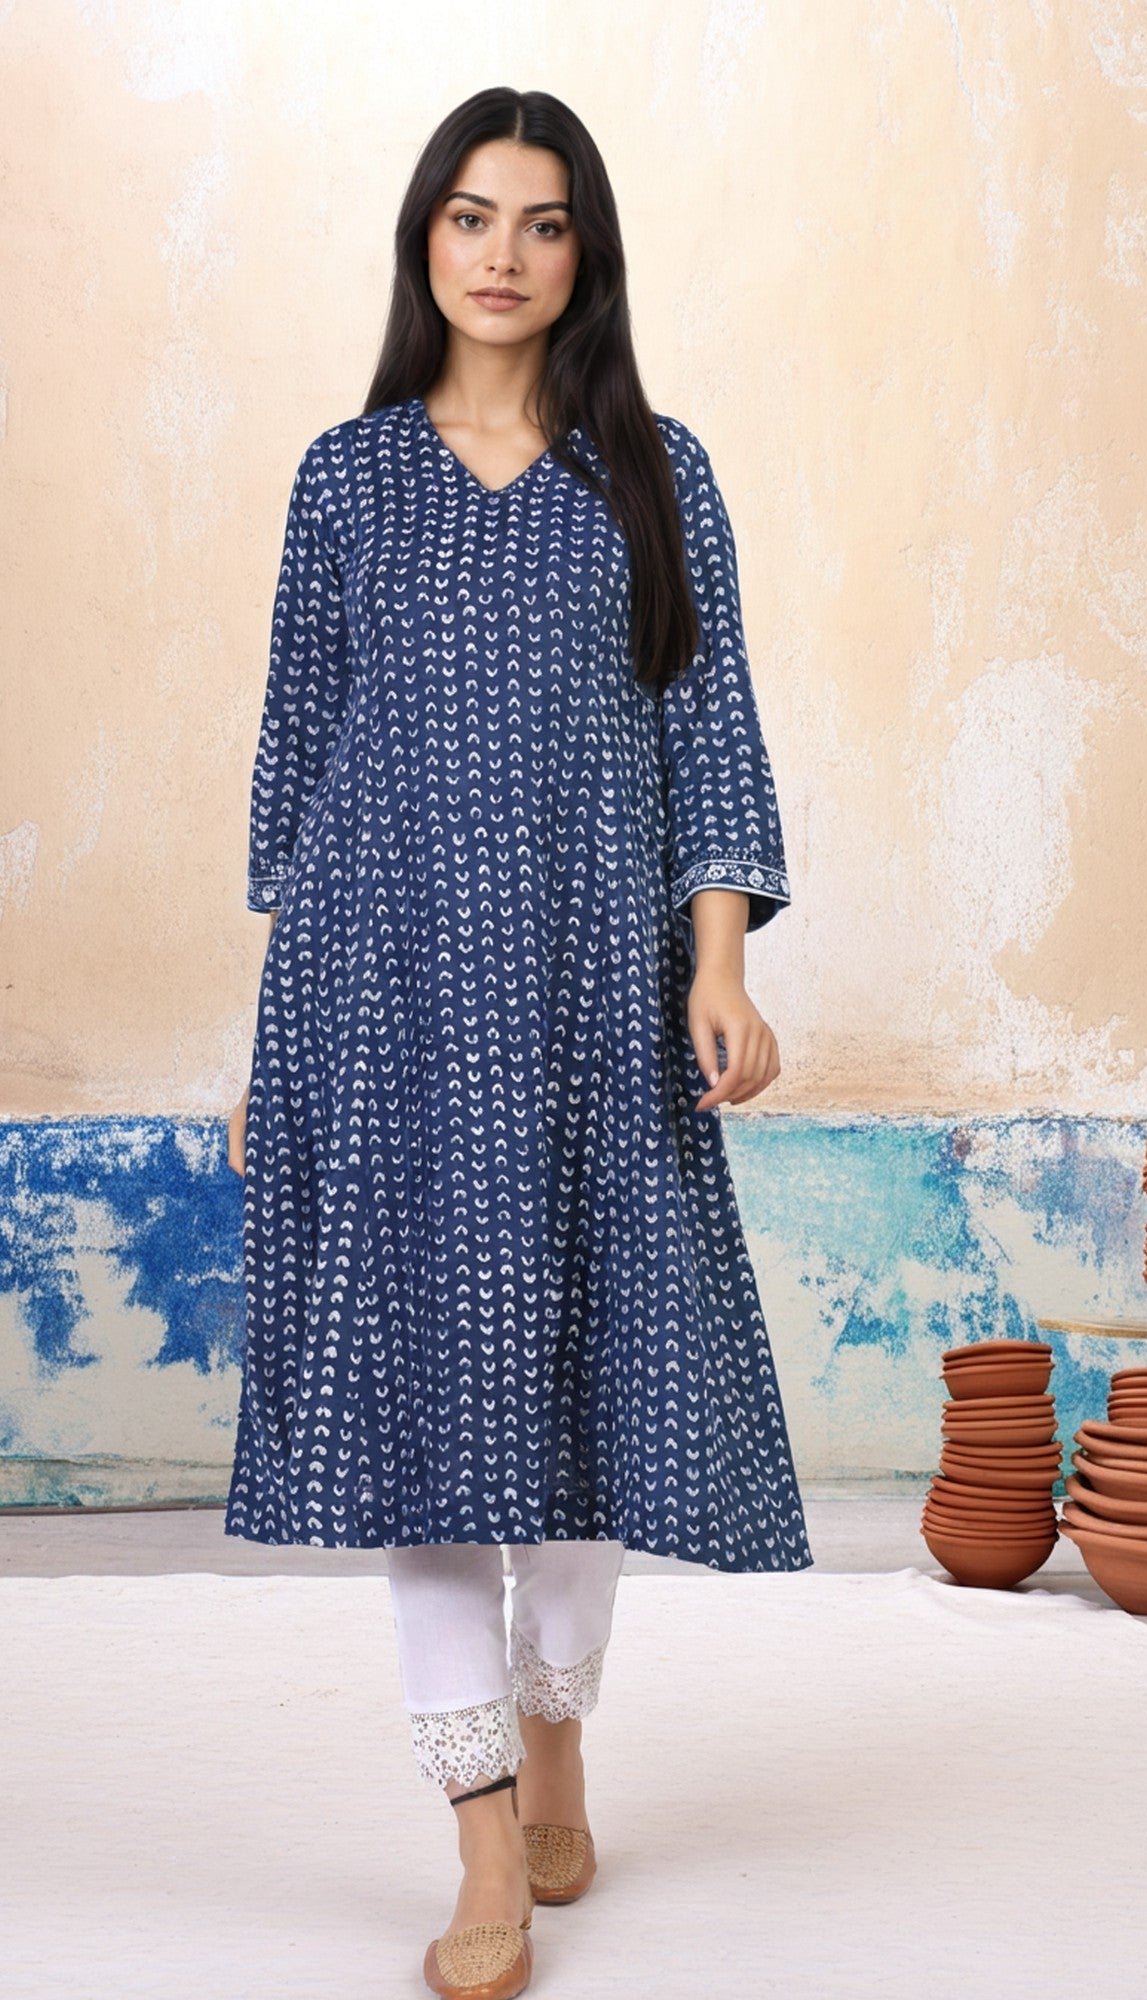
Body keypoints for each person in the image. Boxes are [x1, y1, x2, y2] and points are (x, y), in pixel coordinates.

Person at [225, 85, 813, 2000]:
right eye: (470, 217)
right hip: (377, 1002)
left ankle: (558, 1721)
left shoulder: (654, 471)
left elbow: (709, 726)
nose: (501, 254)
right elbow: (300, 769)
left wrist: (718, 963)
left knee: (587, 1382)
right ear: (425, 239)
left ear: (585, 254)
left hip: (590, 1000)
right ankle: (483, 1829)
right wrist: (270, 1051)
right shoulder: (346, 477)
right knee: (422, 1419)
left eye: (541, 223)